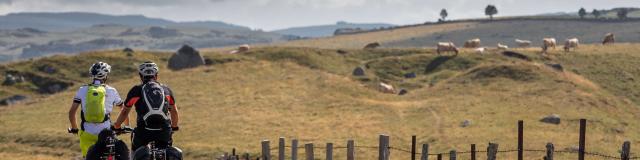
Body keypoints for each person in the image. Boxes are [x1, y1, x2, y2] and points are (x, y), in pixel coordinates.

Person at [113, 61, 180, 152]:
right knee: (166, 152)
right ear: (156, 75)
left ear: (141, 76)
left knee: (137, 152)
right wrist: (174, 126)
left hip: (143, 131)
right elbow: (174, 111)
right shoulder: (166, 90)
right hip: (163, 131)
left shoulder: (136, 90)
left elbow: (125, 111)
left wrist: (117, 126)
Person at [68, 62, 128, 157]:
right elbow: (123, 110)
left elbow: (72, 113)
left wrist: (75, 129)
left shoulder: (83, 89)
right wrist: (125, 126)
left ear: (92, 75)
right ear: (105, 76)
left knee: (88, 156)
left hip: (87, 133)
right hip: (106, 133)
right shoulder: (111, 90)